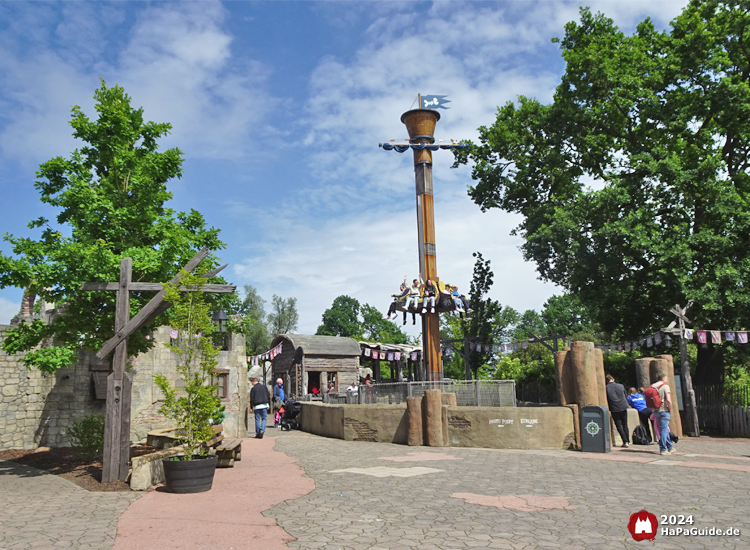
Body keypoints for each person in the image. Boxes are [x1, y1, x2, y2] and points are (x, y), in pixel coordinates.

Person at [646, 373, 674, 455]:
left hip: (655, 410)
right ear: (664, 379)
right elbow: (668, 400)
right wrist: (670, 409)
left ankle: (670, 447)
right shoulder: (665, 386)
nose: (667, 380)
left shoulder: (652, 386)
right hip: (664, 410)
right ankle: (663, 449)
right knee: (664, 429)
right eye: (667, 379)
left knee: (663, 428)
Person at [605, 374, 630, 448]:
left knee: (619, 425)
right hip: (623, 406)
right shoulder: (621, 386)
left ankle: (625, 441)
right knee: (625, 424)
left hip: (614, 408)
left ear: (606, 381)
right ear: (613, 379)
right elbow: (625, 395)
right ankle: (627, 440)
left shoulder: (606, 388)